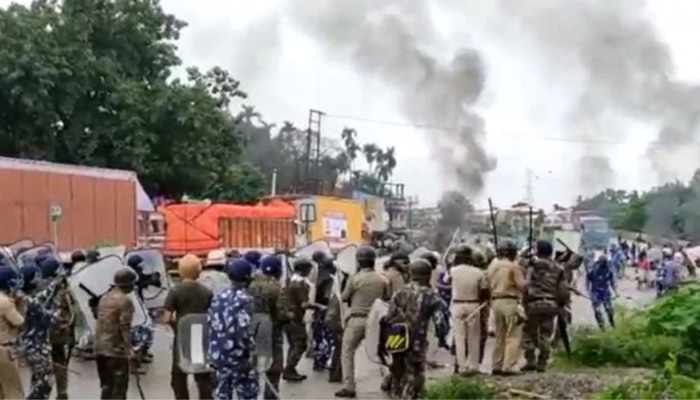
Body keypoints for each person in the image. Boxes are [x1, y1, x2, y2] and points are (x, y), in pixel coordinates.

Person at [382, 259, 449, 399]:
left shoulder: (399, 292)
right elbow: (440, 322)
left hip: (397, 338)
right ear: (428, 275)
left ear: (411, 274)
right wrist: (443, 339)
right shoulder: (431, 295)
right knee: (417, 371)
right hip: (417, 340)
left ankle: (396, 395)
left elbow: (388, 317)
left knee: (398, 369)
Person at [336, 246, 390, 398]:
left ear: (359, 262)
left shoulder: (355, 279)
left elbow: (344, 297)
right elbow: (387, 298)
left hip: (357, 319)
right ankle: (387, 378)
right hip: (377, 321)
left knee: (347, 352)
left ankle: (349, 386)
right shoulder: (383, 279)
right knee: (381, 352)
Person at [162, 254, 214, 399]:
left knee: (179, 377)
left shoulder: (175, 291)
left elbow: (166, 318)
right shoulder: (206, 292)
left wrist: (175, 324)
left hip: (182, 337)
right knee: (202, 375)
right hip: (200, 336)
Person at [208, 258, 259, 400]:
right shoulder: (246, 300)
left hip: (219, 354)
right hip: (238, 356)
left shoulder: (218, 297)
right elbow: (244, 331)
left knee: (223, 391)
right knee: (247, 392)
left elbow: (211, 323)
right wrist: (252, 351)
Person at [16, 260, 63, 399]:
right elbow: (52, 319)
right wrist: (59, 309)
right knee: (45, 381)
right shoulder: (31, 302)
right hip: (37, 347)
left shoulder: (21, 297)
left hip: (27, 344)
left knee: (37, 379)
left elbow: (42, 296)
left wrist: (54, 285)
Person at [522, 240, 570, 372]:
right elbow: (564, 289)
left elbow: (524, 283)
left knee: (528, 334)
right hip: (550, 304)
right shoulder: (558, 268)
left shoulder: (531, 265)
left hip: (532, 303)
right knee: (545, 334)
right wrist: (563, 303)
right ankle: (542, 363)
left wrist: (529, 251)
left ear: (537, 251)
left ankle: (530, 360)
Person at [247, 255, 290, 399]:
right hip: (273, 332)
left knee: (253, 367)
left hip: (253, 331)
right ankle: (270, 396)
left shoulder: (251, 285)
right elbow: (281, 314)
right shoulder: (276, 287)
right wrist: (290, 316)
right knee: (274, 368)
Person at [94, 268, 137, 399]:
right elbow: (124, 327)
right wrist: (130, 350)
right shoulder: (125, 301)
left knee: (106, 386)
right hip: (115, 351)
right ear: (129, 284)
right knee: (119, 390)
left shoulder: (104, 298)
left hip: (99, 348)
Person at [487, 239, 526, 375]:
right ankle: (509, 365)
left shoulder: (492, 266)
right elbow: (521, 285)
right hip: (510, 301)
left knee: (500, 335)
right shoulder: (513, 266)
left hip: (495, 302)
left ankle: (497, 364)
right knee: (513, 335)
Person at [449, 245, 487, 376]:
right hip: (473, 304)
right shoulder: (478, 272)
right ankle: (473, 365)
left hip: (457, 305)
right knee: (474, 337)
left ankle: (462, 366)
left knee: (459, 337)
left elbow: (444, 282)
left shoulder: (453, 271)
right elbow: (484, 290)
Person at [43, 255, 76, 400]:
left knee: (43, 364)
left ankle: (43, 392)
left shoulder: (41, 286)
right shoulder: (64, 287)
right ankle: (62, 392)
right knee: (60, 362)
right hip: (59, 331)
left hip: (43, 332)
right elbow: (74, 310)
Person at [283, 258, 315, 382]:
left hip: (288, 318)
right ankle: (289, 369)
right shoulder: (301, 284)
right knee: (301, 344)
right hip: (296, 318)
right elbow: (304, 304)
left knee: (293, 345)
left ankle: (290, 368)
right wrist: (319, 307)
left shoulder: (289, 280)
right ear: (304, 270)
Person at [0, 264, 24, 399]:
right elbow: (19, 322)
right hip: (3, 351)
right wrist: (19, 304)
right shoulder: (5, 302)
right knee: (12, 391)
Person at [586, 253, 617, 329]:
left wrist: (616, 292)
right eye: (600, 262)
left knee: (609, 310)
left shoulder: (608, 270)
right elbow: (588, 279)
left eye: (603, 262)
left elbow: (612, 282)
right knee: (597, 311)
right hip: (596, 292)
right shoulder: (594, 270)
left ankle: (612, 324)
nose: (601, 264)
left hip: (605, 292)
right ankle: (602, 327)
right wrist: (589, 291)